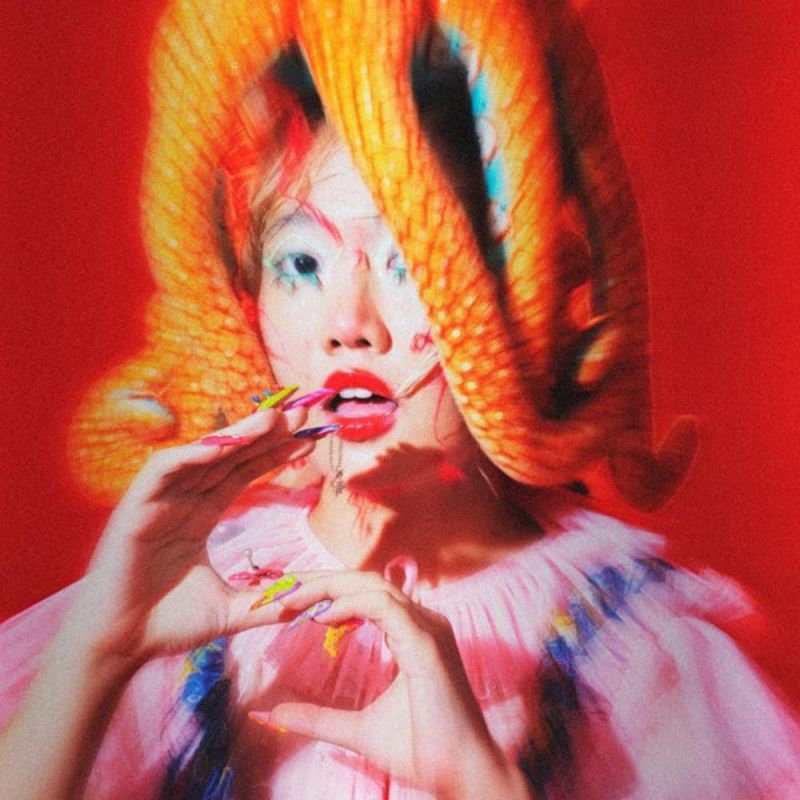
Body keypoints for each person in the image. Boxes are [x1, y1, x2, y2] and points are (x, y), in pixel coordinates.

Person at [1, 4, 799, 799]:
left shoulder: (638, 651)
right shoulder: (190, 595)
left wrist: (482, 780)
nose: (348, 326)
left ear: (523, 294)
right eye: (302, 264)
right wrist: (98, 653)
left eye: (409, 265)